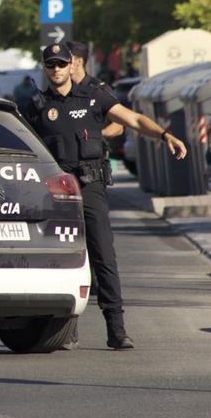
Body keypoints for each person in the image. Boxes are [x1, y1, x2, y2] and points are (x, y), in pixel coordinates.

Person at [20, 42, 187, 350]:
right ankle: (63, 330)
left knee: (103, 257)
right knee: (61, 260)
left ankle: (117, 328)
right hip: (55, 195)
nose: (56, 69)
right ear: (44, 69)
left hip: (90, 185)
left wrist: (165, 136)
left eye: (61, 64)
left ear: (72, 65)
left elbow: (133, 120)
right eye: (50, 65)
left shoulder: (94, 96)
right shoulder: (36, 107)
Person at [67, 40, 123, 183]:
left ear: (78, 62)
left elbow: (118, 126)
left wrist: (94, 137)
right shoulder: (62, 90)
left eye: (66, 59)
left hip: (92, 165)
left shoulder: (98, 89)